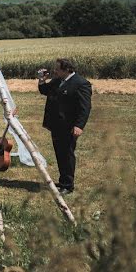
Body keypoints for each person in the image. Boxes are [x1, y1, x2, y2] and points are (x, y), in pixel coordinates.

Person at [38, 58, 92, 195]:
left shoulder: (81, 83)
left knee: (67, 154)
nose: (54, 71)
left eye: (57, 68)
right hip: (56, 125)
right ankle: (62, 182)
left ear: (67, 69)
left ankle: (68, 185)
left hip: (69, 126)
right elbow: (44, 90)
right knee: (59, 153)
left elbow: (85, 108)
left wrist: (79, 126)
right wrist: (41, 79)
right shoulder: (58, 81)